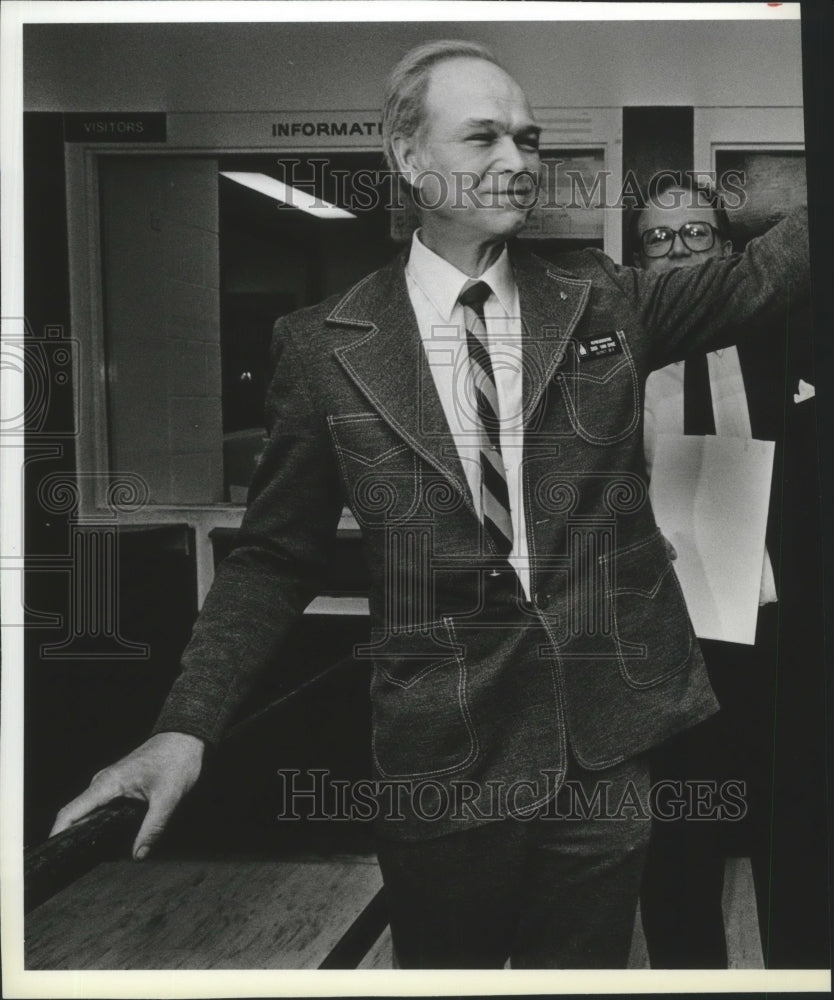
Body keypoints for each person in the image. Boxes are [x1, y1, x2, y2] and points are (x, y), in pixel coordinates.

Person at [51, 40, 810, 969]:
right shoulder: (326, 347)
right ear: (409, 159)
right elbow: (272, 559)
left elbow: (768, 275)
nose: (517, 160)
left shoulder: (601, 300)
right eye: (483, 136)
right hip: (442, 759)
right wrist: (185, 722)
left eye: (527, 139)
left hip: (605, 747)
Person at [633, 177, 827, 968]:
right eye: (659, 238)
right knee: (677, 853)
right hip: (668, 648)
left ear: (728, 246)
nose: (679, 250)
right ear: (637, 259)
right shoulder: (608, 359)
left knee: (798, 843)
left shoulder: (789, 335)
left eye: (697, 234)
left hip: (783, 643)